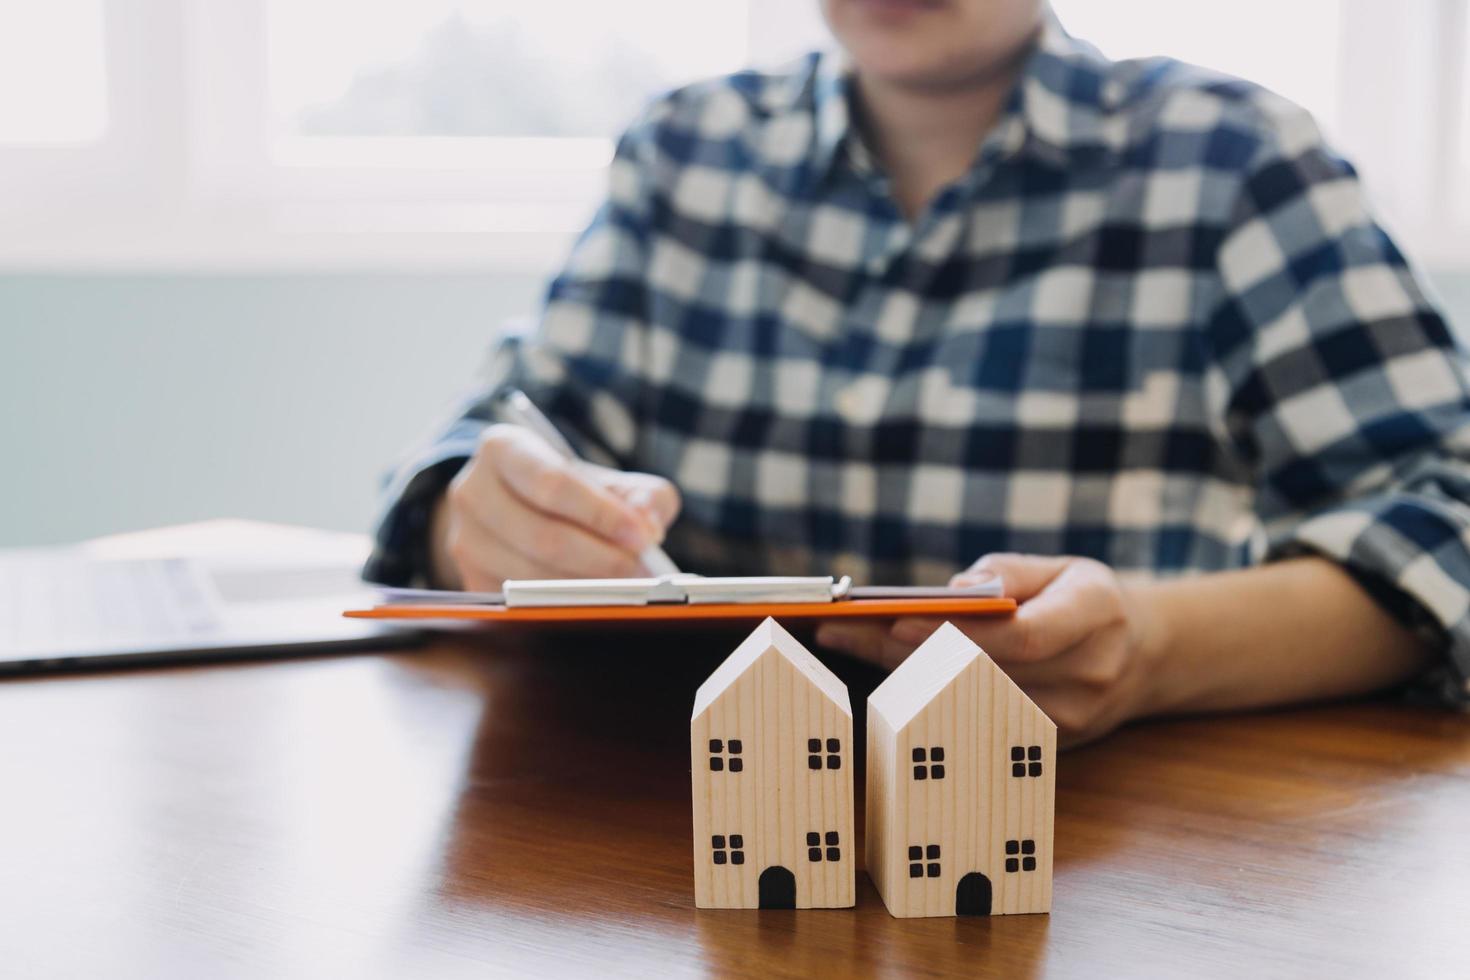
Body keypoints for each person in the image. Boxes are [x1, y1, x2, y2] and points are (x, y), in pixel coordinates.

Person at [366, 0, 1470, 743]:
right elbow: (494, 447)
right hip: (662, 839)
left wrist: (1157, 648)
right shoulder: (681, 154)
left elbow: (1448, 521)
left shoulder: (1239, 162)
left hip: (1112, 848)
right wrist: (475, 516)